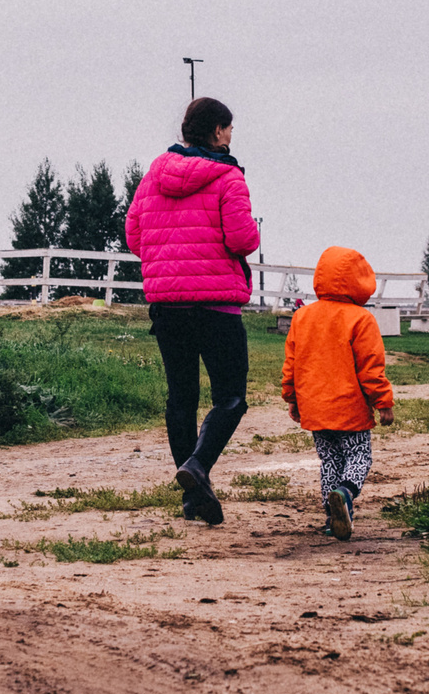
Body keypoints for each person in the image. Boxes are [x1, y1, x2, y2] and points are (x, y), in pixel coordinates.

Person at [123, 97, 260, 525]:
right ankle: (198, 467)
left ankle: (193, 496)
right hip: (216, 305)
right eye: (229, 128)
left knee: (181, 398)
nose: (232, 136)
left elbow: (134, 234)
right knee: (231, 398)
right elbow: (241, 240)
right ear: (217, 131)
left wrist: (168, 259)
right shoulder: (228, 177)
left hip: (167, 306)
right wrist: (253, 227)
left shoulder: (153, 177)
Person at [280, 244, 396, 540]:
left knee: (329, 459)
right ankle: (345, 494)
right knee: (359, 456)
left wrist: (292, 397)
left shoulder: (302, 317)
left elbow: (291, 363)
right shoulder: (360, 319)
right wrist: (383, 402)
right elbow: (370, 367)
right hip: (350, 408)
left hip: (315, 408)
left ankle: (333, 519)